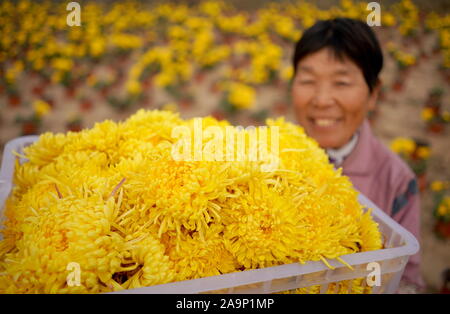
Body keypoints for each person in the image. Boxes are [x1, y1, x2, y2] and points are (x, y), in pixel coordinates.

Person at [291, 18, 425, 292]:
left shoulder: (396, 181)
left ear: (373, 93)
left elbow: (407, 280)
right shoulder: (266, 159)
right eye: (307, 80)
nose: (322, 100)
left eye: (341, 82)